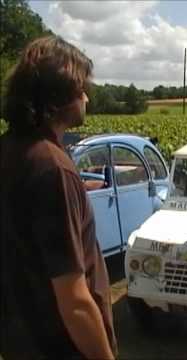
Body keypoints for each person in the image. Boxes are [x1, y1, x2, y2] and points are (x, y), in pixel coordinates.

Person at [0, 36, 117, 359]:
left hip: (20, 342)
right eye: (80, 88)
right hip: (61, 348)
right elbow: (75, 300)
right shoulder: (53, 168)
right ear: (58, 98)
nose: (86, 96)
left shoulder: (9, 149)